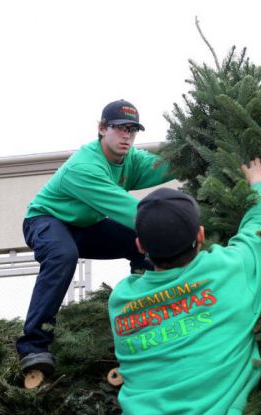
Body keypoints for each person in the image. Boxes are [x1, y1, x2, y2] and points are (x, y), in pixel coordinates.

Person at [108, 157, 261, 415]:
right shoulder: (229, 271)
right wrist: (259, 184)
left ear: (140, 246)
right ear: (200, 235)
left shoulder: (121, 301)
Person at [17, 99, 173, 379]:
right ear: (102, 128)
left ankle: (144, 315)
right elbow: (127, 209)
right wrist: (178, 228)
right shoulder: (85, 167)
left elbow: (168, 164)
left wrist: (201, 149)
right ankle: (33, 345)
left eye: (132, 130)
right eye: (120, 128)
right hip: (45, 220)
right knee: (63, 254)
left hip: (84, 226)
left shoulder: (130, 160)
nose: (127, 136)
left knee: (143, 240)